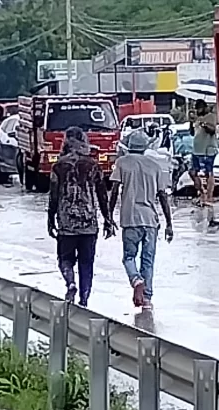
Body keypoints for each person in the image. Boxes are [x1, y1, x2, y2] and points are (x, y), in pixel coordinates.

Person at [48, 127, 116, 307]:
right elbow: (103, 195)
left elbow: (53, 196)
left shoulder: (58, 166)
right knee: (87, 263)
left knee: (65, 259)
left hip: (66, 222)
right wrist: (108, 219)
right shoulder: (93, 165)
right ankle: (84, 299)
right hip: (89, 223)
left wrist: (50, 219)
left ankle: (70, 282)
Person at [109, 129, 173, 310]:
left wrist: (109, 216)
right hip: (150, 220)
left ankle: (136, 279)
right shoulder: (155, 166)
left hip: (130, 219)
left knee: (129, 257)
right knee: (148, 259)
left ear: (128, 146)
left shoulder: (121, 163)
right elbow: (163, 196)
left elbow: (114, 191)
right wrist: (169, 224)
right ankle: (147, 298)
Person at [189, 99, 217, 206]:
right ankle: (202, 192)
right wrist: (191, 123)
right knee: (192, 172)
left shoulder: (211, 116)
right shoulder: (197, 118)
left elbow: (212, 130)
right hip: (196, 150)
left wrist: (203, 124)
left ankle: (209, 196)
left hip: (208, 149)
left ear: (204, 108)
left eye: (200, 108)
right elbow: (192, 133)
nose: (198, 111)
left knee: (208, 173)